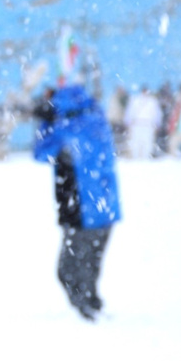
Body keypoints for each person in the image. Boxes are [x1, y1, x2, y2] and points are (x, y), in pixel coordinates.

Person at [32, 83, 121, 321]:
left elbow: (41, 152)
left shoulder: (67, 124)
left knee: (68, 270)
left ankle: (87, 311)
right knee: (89, 268)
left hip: (81, 210)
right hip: (102, 207)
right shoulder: (93, 115)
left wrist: (48, 121)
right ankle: (92, 305)